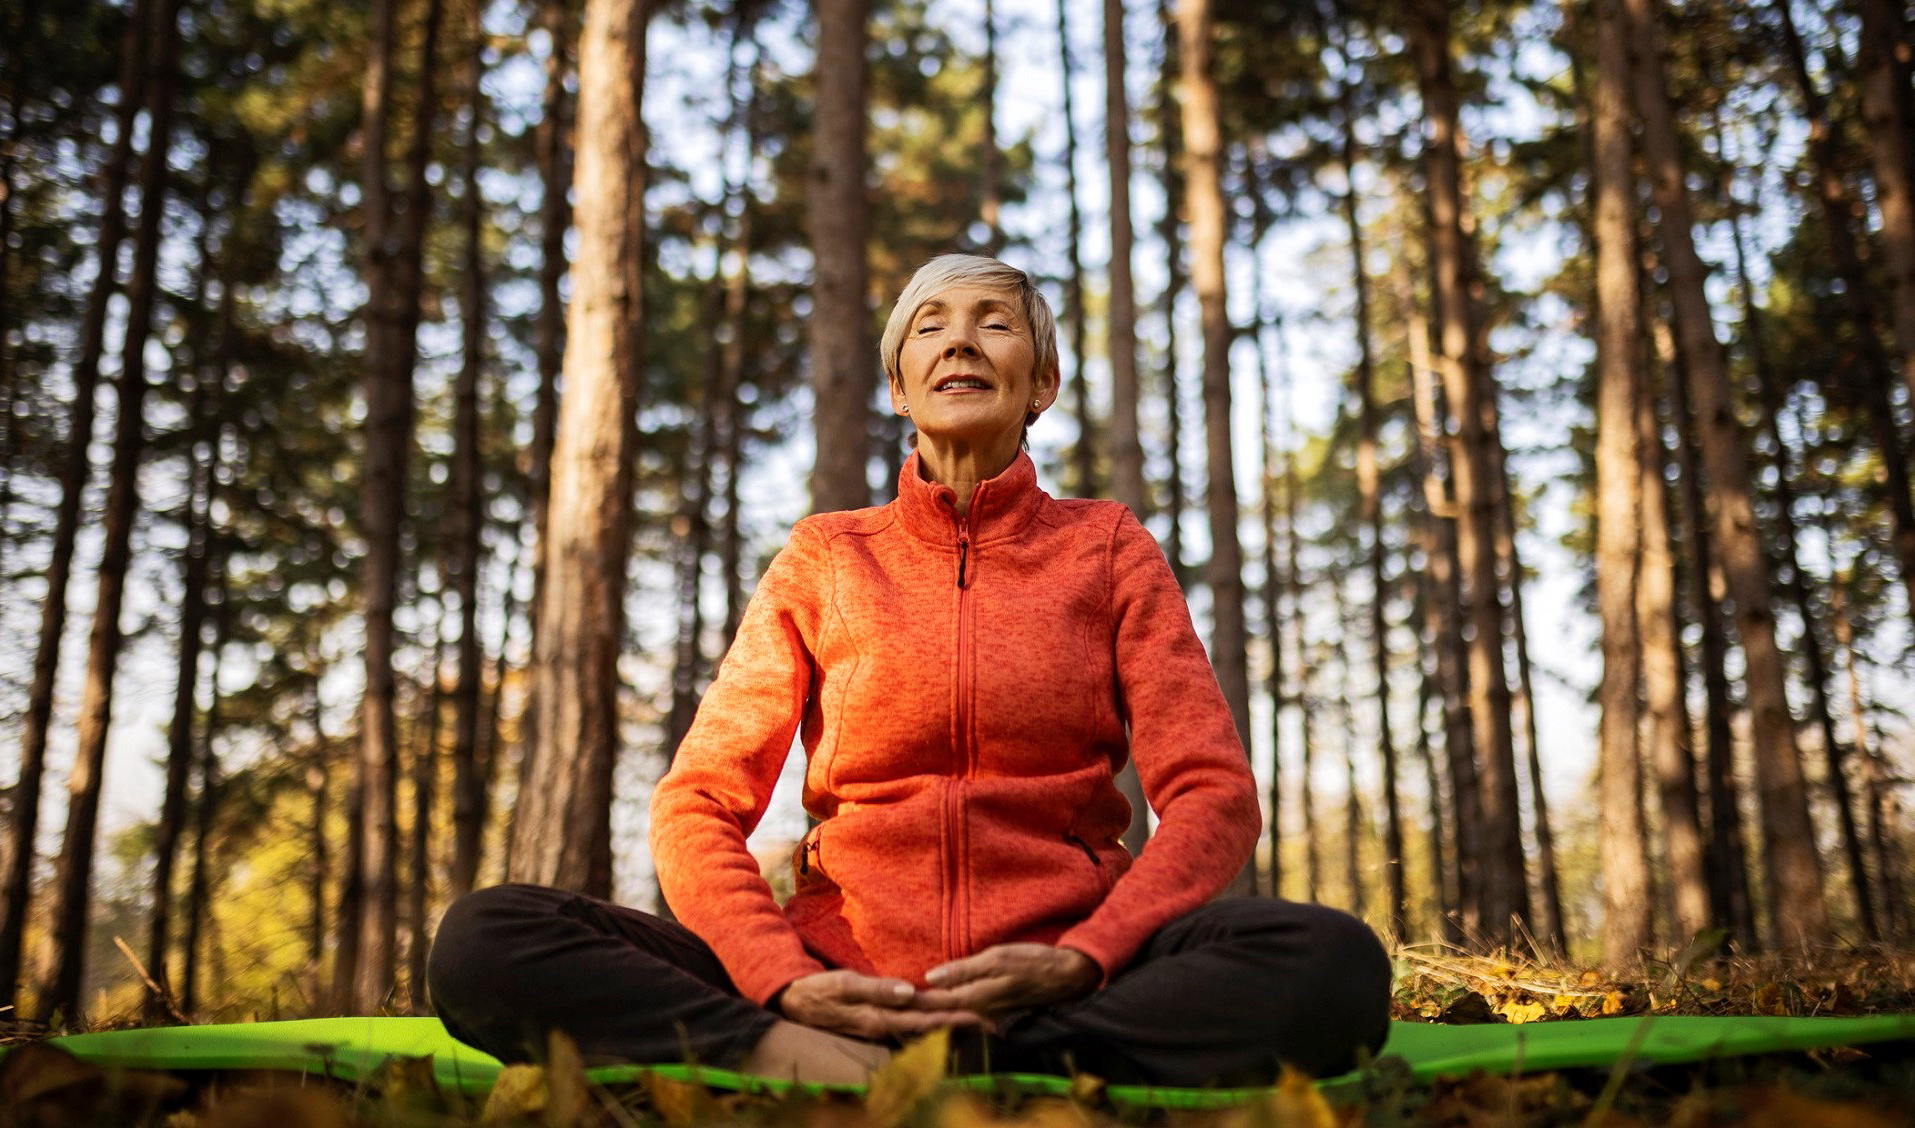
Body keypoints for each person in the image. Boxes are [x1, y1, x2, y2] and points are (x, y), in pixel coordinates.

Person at [428, 254, 1391, 1088]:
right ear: (900, 386)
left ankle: (999, 1060)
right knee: (486, 941)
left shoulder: (1108, 549)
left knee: (1333, 965)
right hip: (830, 982)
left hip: (1066, 985)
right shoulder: (827, 557)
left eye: (994, 325)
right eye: (930, 327)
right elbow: (696, 804)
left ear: (1041, 382)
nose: (960, 343)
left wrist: (1087, 957)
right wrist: (781, 982)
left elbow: (1213, 794)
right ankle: (794, 1056)